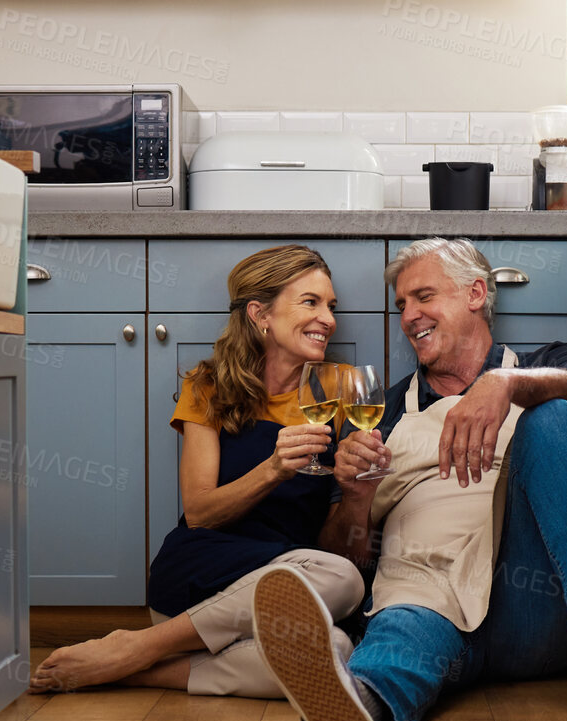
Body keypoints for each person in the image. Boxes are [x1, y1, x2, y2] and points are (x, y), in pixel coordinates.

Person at [248, 237, 567, 721]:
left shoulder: (543, 365)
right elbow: (347, 560)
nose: (409, 317)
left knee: (554, 415)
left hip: (535, 607)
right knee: (399, 632)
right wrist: (356, 497)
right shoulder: (382, 410)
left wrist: (507, 384)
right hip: (429, 600)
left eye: (423, 297)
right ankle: (356, 703)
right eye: (401, 306)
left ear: (476, 294)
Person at [29, 245, 364, 696]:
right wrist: (273, 469)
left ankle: (134, 663)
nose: (328, 318)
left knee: (337, 646)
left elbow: (333, 543)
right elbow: (201, 513)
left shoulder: (342, 388)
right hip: (199, 575)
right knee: (342, 580)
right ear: (259, 314)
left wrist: (358, 489)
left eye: (331, 306)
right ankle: (150, 643)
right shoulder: (210, 385)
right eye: (311, 302)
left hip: (292, 584)